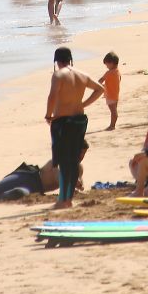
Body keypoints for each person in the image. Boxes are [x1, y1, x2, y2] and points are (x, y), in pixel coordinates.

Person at [45, 46, 104, 209]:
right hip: (79, 120)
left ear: (56, 61)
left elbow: (52, 96)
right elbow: (100, 89)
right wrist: (83, 104)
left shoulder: (58, 75)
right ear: (70, 59)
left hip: (63, 122)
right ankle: (67, 199)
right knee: (72, 161)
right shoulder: (82, 74)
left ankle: (63, 200)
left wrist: (48, 115)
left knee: (64, 162)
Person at [99, 52, 121, 130]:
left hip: (110, 95)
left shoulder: (109, 73)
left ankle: (112, 126)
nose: (107, 67)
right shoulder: (117, 71)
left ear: (111, 63)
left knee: (113, 112)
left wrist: (96, 86)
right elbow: (118, 81)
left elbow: (100, 80)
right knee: (114, 110)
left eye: (107, 64)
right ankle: (112, 125)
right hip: (116, 94)